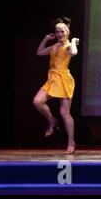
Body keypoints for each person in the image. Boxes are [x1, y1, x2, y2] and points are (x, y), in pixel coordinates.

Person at [33, 17, 79, 154]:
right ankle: (52, 121)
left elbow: (73, 53)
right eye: (57, 32)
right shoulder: (54, 46)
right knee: (37, 101)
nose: (59, 34)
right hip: (52, 79)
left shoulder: (69, 45)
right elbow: (39, 52)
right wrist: (46, 38)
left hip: (64, 79)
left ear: (67, 32)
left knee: (64, 113)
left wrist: (74, 42)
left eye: (62, 32)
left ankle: (71, 142)